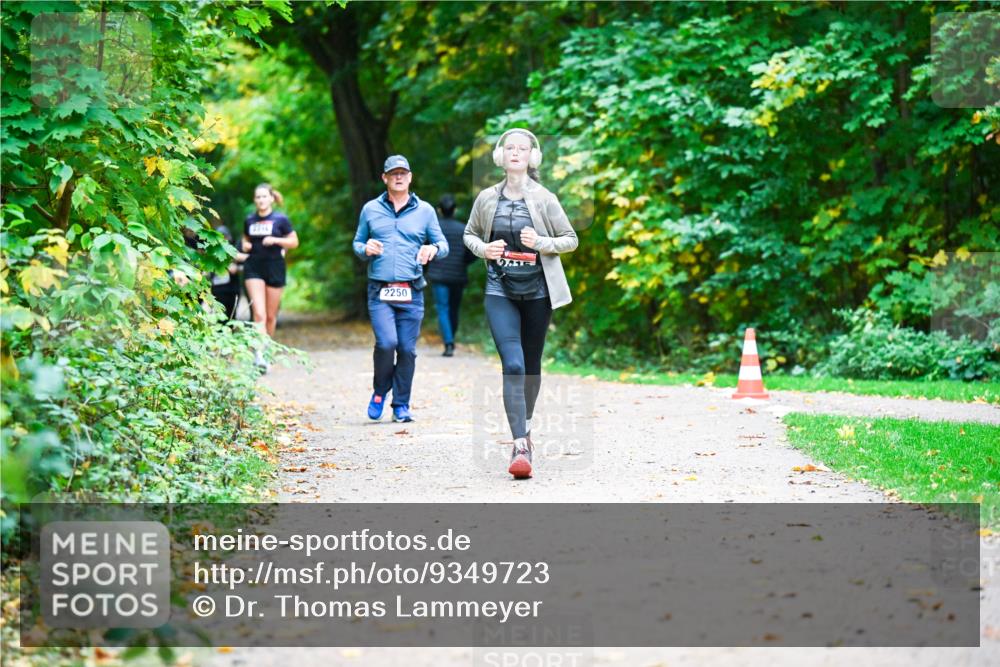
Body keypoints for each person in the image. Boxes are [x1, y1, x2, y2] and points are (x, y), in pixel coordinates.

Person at [464, 129, 578, 479]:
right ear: (500, 156)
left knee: (530, 365)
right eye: (510, 148)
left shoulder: (545, 198)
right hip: (500, 289)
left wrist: (541, 241)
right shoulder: (486, 198)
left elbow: (570, 239)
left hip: (537, 293)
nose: (516, 153)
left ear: (532, 157)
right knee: (512, 365)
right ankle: (520, 443)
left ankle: (525, 426)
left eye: (522, 149)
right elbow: (469, 234)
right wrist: (485, 250)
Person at [352, 155, 449, 423]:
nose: (398, 177)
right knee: (386, 343)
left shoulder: (426, 211)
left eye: (403, 173)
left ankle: (401, 405)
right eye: (392, 173)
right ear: (384, 178)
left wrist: (433, 248)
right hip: (380, 291)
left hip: (412, 291)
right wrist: (365, 249)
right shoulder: (370, 209)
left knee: (407, 349)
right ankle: (380, 391)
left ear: (410, 177)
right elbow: (357, 243)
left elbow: (444, 245)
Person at [242, 183, 298, 372]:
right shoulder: (249, 220)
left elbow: (294, 242)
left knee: (271, 316)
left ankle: (266, 350)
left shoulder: (281, 220)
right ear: (254, 200)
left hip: (275, 267)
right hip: (253, 267)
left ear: (271, 199)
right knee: (259, 313)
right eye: (258, 197)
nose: (261, 200)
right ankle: (258, 354)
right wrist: (246, 245)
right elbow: (245, 239)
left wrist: (276, 240)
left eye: (264, 196)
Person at [424, 194, 476, 356]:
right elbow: (472, 253)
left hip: (438, 275)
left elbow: (425, 252)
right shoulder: (463, 229)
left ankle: (448, 343)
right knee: (454, 309)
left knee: (442, 308)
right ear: (455, 210)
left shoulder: (433, 229)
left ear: (439, 210)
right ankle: (450, 339)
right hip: (458, 275)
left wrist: (426, 270)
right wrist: (463, 263)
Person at [210, 223, 246, 321]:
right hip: (218, 288)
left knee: (232, 315)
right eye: (220, 237)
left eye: (225, 236)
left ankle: (230, 333)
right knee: (220, 315)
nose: (223, 239)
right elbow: (207, 269)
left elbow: (245, 265)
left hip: (233, 288)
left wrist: (236, 268)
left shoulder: (234, 250)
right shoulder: (211, 251)